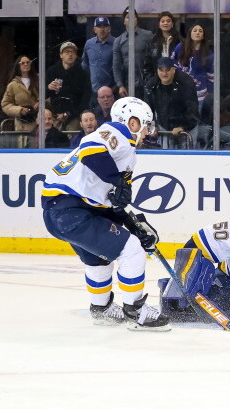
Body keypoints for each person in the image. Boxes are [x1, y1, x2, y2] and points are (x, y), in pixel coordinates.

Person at [41, 97, 170, 330]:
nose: (147, 132)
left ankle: (102, 309)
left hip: (64, 212)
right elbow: (89, 151)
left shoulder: (123, 152)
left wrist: (132, 225)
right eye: (145, 125)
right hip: (71, 211)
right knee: (131, 250)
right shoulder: (117, 133)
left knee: (98, 259)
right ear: (132, 122)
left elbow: (110, 201)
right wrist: (117, 181)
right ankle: (136, 310)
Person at [143, 57, 200, 149]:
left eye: (168, 70)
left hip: (188, 128)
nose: (164, 73)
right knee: (166, 158)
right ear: (157, 71)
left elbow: (192, 109)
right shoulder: (151, 85)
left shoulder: (186, 83)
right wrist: (151, 128)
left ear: (174, 69)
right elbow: (148, 109)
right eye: (161, 70)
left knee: (187, 158)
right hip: (165, 126)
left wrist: (182, 127)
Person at [172, 23, 214, 146]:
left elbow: (212, 75)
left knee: (192, 122)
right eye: (195, 30)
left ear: (203, 35)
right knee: (177, 120)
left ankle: (193, 147)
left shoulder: (208, 54)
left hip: (198, 94)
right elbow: (172, 65)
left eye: (200, 31)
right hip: (179, 92)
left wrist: (209, 91)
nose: (197, 32)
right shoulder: (180, 47)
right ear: (190, 33)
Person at [46, 41, 91, 132]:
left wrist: (68, 113)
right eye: (67, 52)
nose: (70, 54)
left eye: (73, 52)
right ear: (61, 55)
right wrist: (48, 87)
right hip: (55, 116)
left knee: (72, 138)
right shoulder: (52, 71)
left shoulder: (82, 74)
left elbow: (85, 98)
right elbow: (43, 95)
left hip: (74, 116)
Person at [113, 7, 153, 99]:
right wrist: (120, 85)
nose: (130, 19)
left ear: (137, 20)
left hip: (146, 83)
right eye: (128, 17)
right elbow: (116, 65)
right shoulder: (118, 41)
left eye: (133, 17)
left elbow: (154, 59)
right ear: (124, 21)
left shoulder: (148, 36)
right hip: (127, 86)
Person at [1, 55, 39, 148]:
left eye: (28, 62)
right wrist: (19, 110)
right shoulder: (12, 85)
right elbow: (5, 104)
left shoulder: (38, 81)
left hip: (38, 121)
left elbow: (48, 98)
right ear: (18, 66)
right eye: (23, 63)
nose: (26, 64)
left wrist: (42, 103)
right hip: (23, 123)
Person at [81, 17, 116, 103]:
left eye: (104, 26)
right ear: (94, 29)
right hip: (95, 90)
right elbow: (85, 64)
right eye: (99, 26)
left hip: (112, 90)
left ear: (109, 29)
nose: (102, 29)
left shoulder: (116, 43)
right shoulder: (89, 44)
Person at [143, 11, 181, 82]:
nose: (165, 23)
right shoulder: (152, 42)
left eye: (168, 21)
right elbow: (147, 64)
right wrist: (152, 80)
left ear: (172, 24)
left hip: (177, 80)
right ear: (159, 25)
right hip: (157, 80)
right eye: (162, 21)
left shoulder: (180, 42)